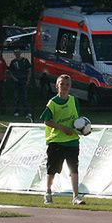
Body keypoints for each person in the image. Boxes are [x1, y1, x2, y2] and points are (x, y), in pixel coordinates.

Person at [40, 74, 86, 205]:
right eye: (62, 84)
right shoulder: (53, 102)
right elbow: (47, 121)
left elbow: (77, 118)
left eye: (67, 84)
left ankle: (75, 196)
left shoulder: (73, 100)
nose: (64, 87)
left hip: (72, 141)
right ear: (57, 86)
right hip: (56, 141)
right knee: (52, 168)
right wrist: (61, 128)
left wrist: (82, 128)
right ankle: (48, 192)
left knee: (74, 168)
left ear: (70, 86)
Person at [9, 48, 32, 120]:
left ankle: (27, 112)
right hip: (16, 81)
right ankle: (16, 111)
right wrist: (14, 78)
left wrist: (28, 79)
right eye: (15, 53)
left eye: (18, 52)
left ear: (20, 53)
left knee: (25, 97)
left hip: (23, 80)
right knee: (16, 97)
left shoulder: (25, 60)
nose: (17, 54)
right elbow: (10, 71)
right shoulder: (13, 62)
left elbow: (29, 70)